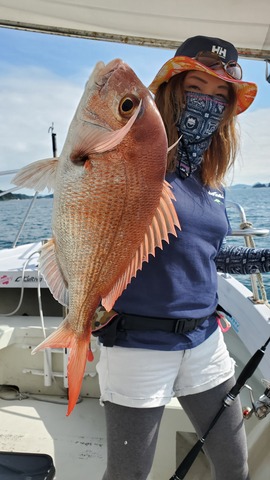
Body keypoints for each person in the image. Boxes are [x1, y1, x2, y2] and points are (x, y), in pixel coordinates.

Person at [94, 35, 270, 480]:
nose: (207, 103)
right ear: (171, 90)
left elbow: (207, 256)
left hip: (205, 341)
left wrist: (265, 259)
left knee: (234, 463)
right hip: (139, 345)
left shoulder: (212, 179)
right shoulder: (134, 161)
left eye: (220, 96)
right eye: (196, 88)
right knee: (128, 474)